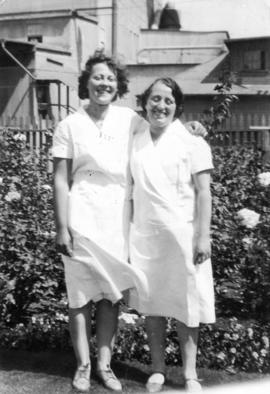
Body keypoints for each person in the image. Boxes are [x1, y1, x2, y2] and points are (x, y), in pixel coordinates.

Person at [52, 51, 149, 392]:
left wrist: (192, 127)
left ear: (118, 85)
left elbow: (163, 129)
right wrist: (62, 227)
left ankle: (105, 365)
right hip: (80, 215)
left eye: (110, 78)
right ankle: (83, 365)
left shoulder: (130, 120)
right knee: (79, 296)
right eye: (97, 77)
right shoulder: (69, 125)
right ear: (86, 82)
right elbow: (62, 179)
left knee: (110, 296)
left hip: (116, 217)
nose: (103, 83)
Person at [129, 77, 215, 393]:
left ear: (177, 106)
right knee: (152, 303)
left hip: (184, 236)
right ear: (144, 102)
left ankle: (190, 373)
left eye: (168, 100)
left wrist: (203, 236)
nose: (160, 106)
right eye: (155, 99)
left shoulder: (193, 142)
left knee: (186, 304)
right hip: (146, 235)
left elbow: (204, 193)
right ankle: (157, 368)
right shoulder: (135, 136)